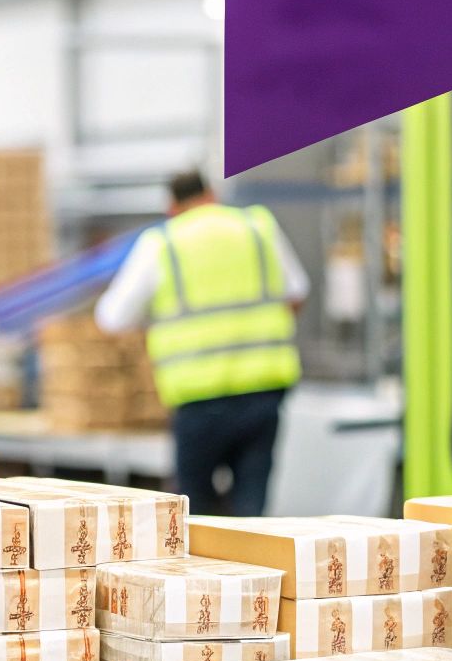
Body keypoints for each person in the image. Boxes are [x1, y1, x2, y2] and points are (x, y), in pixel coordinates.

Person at [94, 171, 307, 516]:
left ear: (172, 206)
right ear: (212, 194)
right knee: (251, 510)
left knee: (195, 514)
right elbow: (297, 293)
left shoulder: (162, 243)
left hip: (199, 400)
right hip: (263, 393)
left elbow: (112, 317)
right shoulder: (257, 227)